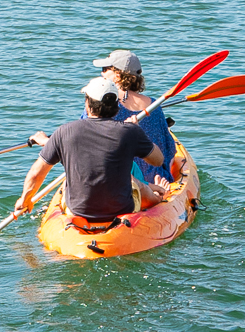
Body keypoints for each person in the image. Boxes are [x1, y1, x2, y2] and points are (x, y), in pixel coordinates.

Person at [17, 76, 164, 231]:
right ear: (116, 106)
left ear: (88, 104)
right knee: (137, 183)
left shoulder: (64, 131)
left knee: (67, 182)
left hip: (78, 211)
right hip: (121, 211)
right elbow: (158, 160)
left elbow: (35, 174)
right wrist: (135, 131)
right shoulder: (130, 132)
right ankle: (158, 200)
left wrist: (25, 199)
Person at [94, 49, 177, 196]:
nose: (102, 73)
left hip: (119, 178)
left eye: (105, 69)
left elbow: (85, 135)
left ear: (118, 75)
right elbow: (168, 150)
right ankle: (154, 190)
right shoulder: (154, 106)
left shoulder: (103, 104)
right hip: (155, 176)